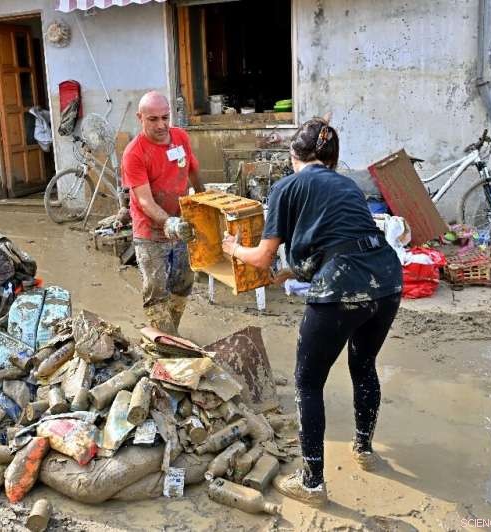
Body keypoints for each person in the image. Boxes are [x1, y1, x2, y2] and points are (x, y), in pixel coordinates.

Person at [221, 116, 403, 507]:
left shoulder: (287, 187)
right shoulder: (347, 186)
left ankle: (312, 484)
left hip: (342, 284)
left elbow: (262, 257)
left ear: (293, 154)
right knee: (364, 365)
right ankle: (364, 449)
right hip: (387, 279)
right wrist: (290, 272)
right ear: (332, 159)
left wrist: (233, 249)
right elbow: (339, 242)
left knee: (308, 382)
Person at [122, 91, 204, 335]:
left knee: (184, 282)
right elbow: (144, 201)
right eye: (153, 119)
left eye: (165, 118)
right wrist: (170, 223)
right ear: (140, 118)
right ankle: (165, 343)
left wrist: (205, 202)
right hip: (151, 231)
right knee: (156, 290)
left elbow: (193, 171)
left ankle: (171, 334)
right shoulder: (134, 153)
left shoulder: (180, 138)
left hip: (182, 225)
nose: (161, 125)